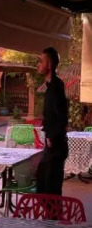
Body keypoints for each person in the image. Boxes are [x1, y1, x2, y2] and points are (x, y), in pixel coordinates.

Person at [36, 47, 68, 195]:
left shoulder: (56, 87)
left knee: (51, 190)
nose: (38, 65)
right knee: (42, 184)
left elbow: (61, 115)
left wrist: (52, 137)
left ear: (49, 64)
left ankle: (52, 212)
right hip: (52, 144)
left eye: (41, 61)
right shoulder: (50, 86)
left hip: (56, 145)